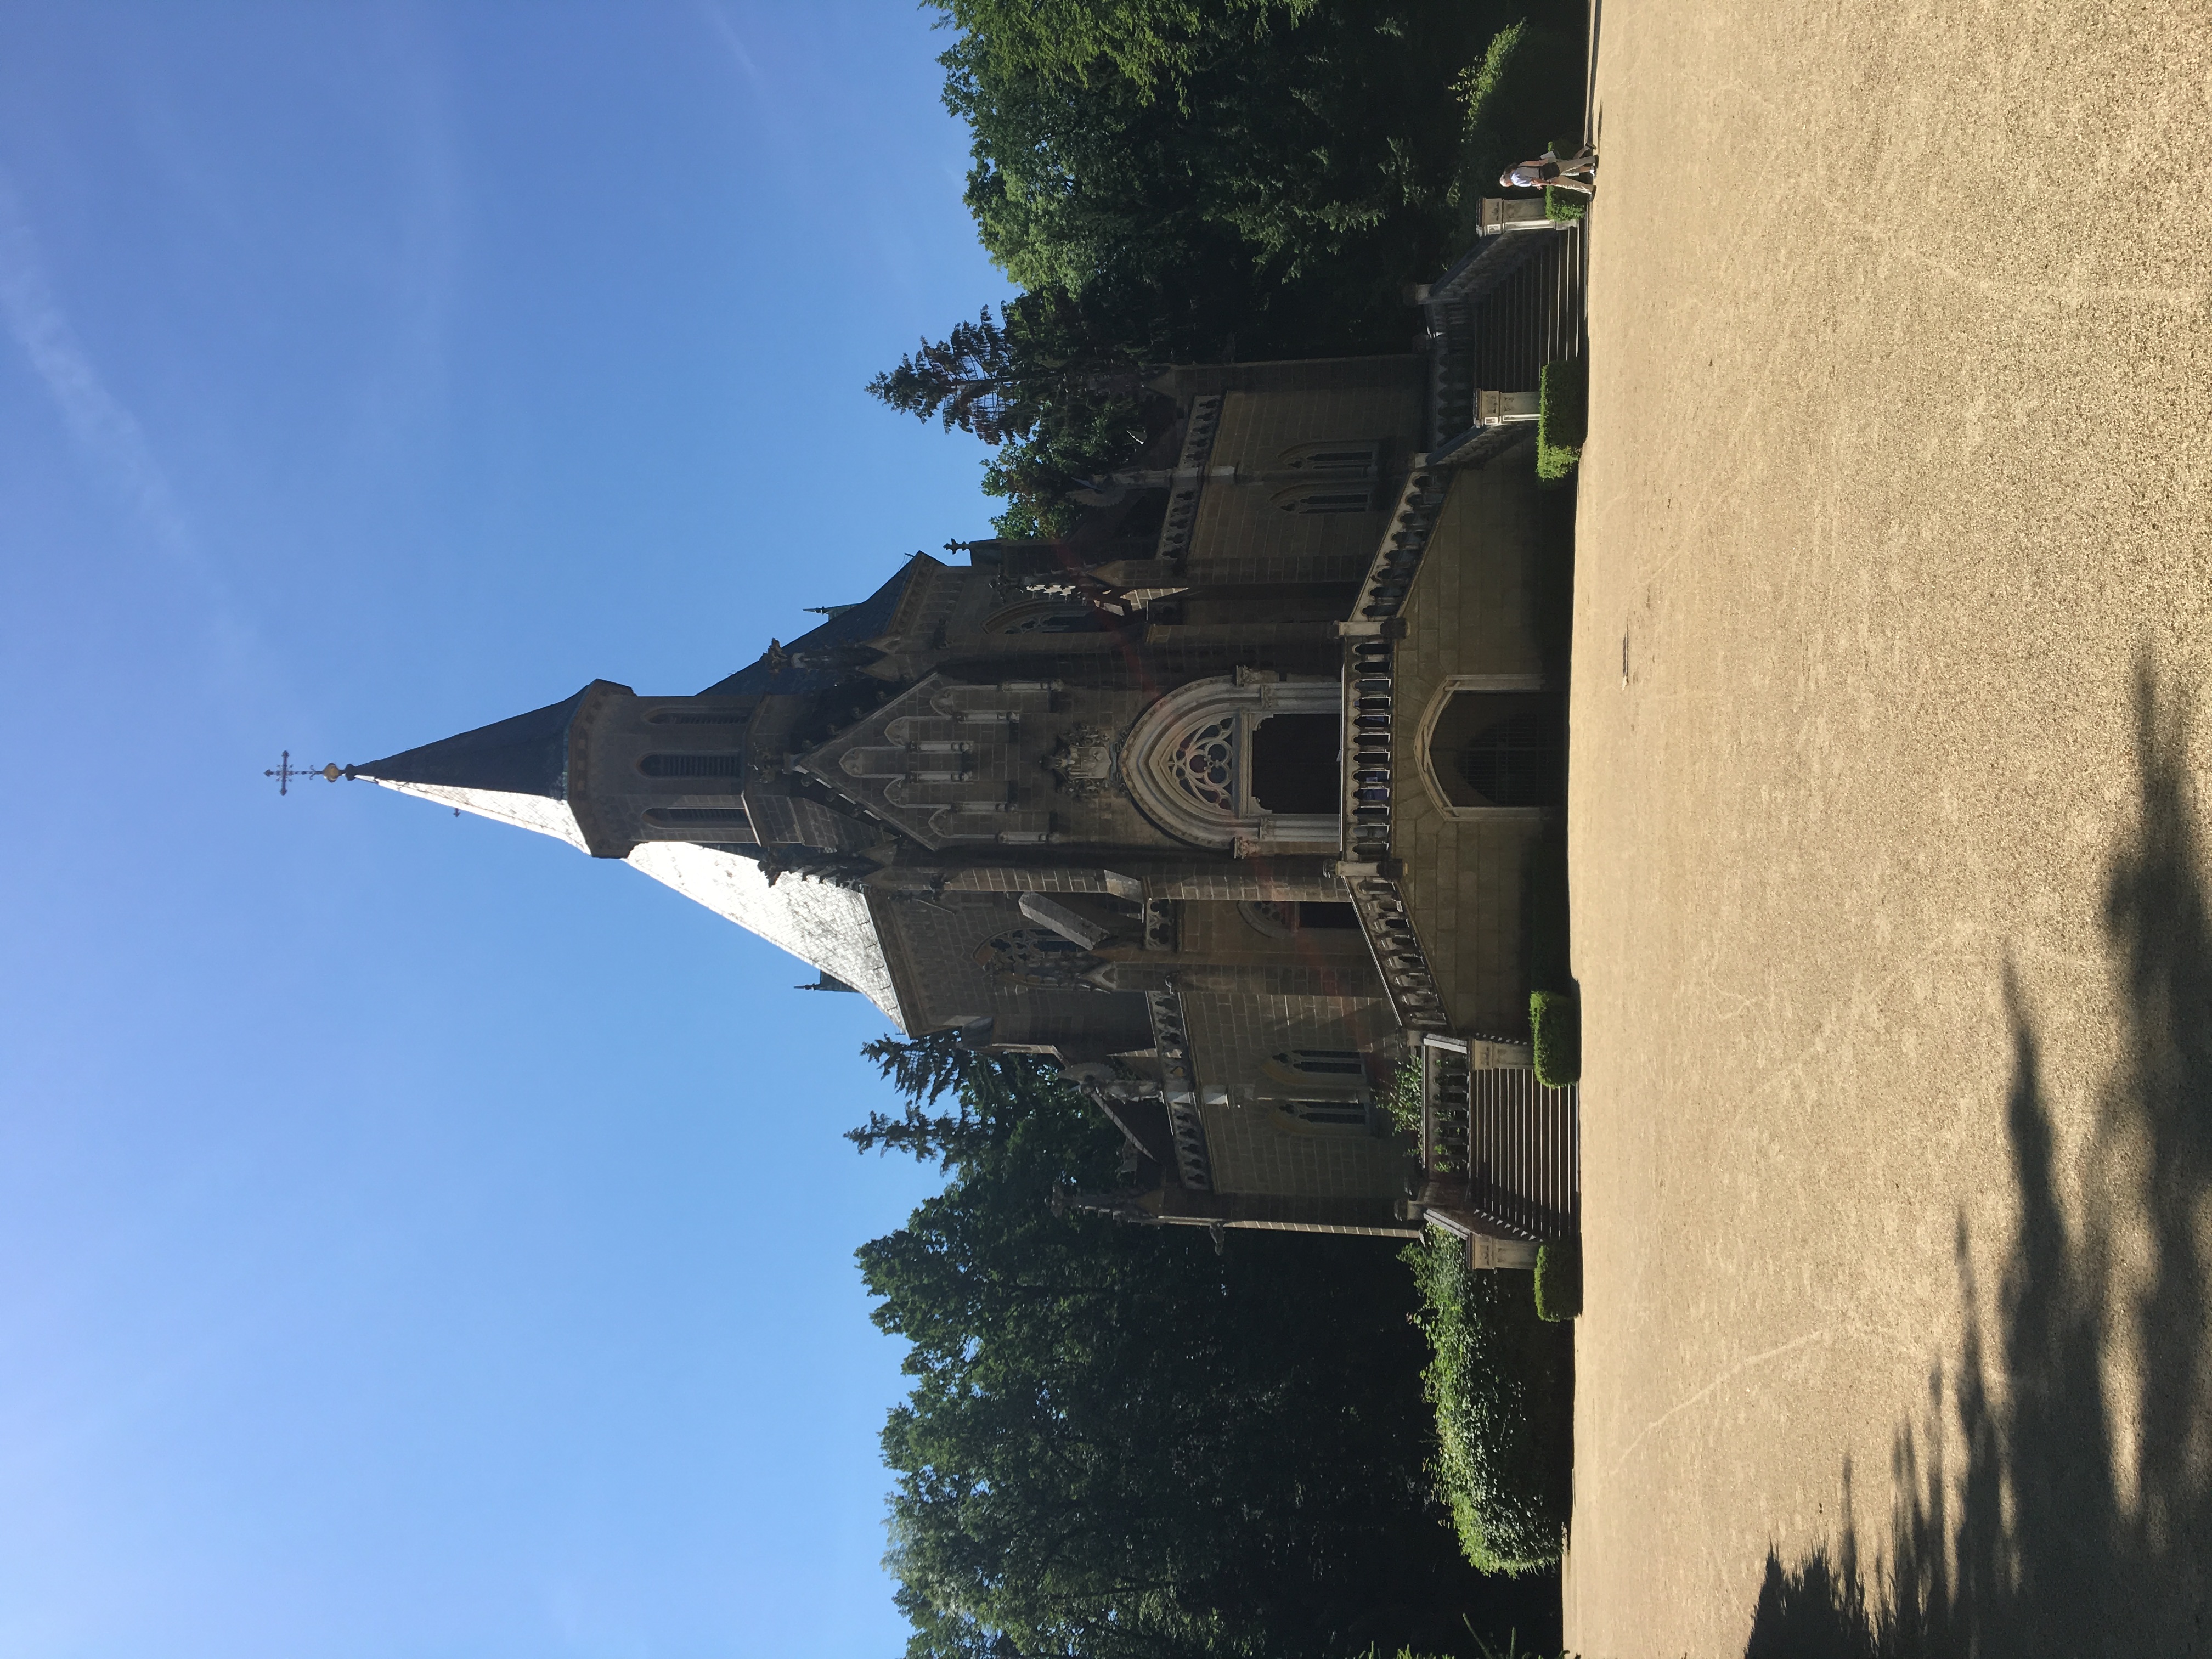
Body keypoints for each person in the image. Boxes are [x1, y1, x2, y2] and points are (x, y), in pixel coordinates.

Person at [1500, 144, 1598, 195]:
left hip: (1547, 177)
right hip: (1549, 167)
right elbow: (1537, 164)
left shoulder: (1517, 181)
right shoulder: (1521, 166)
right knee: (1571, 165)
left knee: (1569, 184)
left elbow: (1534, 180)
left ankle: (1590, 189)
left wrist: (1548, 184)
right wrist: (1548, 161)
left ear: (1508, 183)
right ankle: (1592, 160)